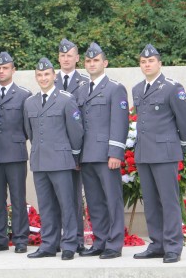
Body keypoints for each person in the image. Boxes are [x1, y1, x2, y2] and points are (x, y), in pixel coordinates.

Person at [132, 44, 186, 263]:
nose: (146, 64)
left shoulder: (172, 87)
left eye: (150, 61)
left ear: (160, 63)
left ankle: (173, 247)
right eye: (143, 61)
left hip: (165, 153)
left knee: (168, 201)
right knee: (150, 201)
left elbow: (185, 121)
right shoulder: (137, 89)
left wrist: (182, 145)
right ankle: (157, 244)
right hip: (144, 153)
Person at [24, 57, 83, 261]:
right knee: (46, 205)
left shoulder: (66, 99)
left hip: (61, 160)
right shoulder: (30, 102)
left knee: (67, 204)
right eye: (39, 75)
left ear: (54, 76)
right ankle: (49, 244)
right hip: (40, 161)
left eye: (47, 74)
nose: (43, 78)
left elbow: (76, 131)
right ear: (36, 77)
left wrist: (74, 156)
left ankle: (69, 244)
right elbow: (29, 132)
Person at [76, 43, 129, 259]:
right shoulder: (80, 89)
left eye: (95, 60)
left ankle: (114, 244)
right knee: (95, 201)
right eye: (88, 61)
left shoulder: (115, 88)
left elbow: (120, 121)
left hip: (107, 155)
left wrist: (115, 152)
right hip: (87, 154)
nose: (91, 64)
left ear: (104, 63)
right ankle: (99, 241)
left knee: (112, 200)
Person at [0, 52, 32, 254]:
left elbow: (28, 127)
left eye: (5, 68)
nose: (1, 71)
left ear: (13, 70)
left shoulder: (24, 94)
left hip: (15, 153)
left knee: (18, 198)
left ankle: (20, 238)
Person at [56, 37, 88, 253]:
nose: (66, 59)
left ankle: (76, 239)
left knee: (75, 196)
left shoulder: (85, 82)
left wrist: (78, 150)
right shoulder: (49, 80)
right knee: (57, 197)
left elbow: (85, 118)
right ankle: (60, 238)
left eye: (70, 56)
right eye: (62, 56)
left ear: (77, 58)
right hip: (56, 150)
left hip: (78, 148)